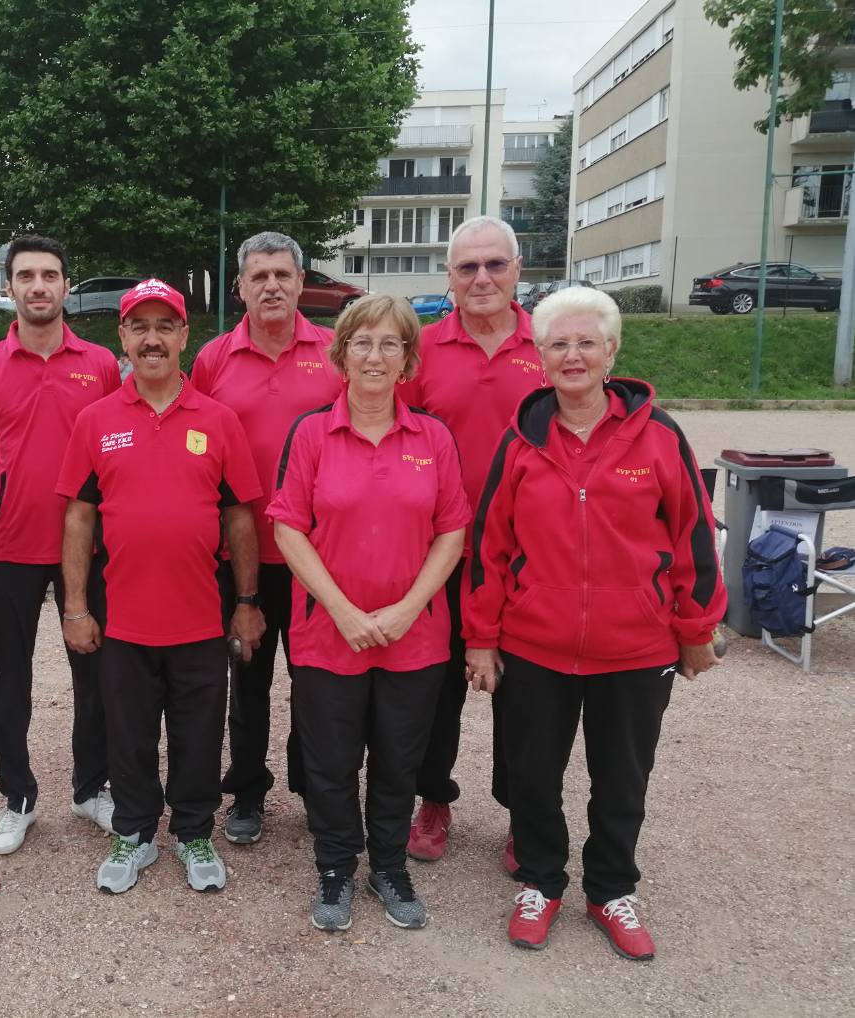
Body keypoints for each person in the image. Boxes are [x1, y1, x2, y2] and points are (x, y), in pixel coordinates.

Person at [463, 287, 725, 959]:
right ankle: (540, 882)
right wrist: (482, 638)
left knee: (621, 780)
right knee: (531, 777)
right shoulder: (519, 440)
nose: (572, 355)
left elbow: (693, 537)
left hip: (635, 648)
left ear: (611, 352)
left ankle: (610, 889)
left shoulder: (659, 435)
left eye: (586, 342)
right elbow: (487, 547)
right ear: (539, 357)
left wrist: (695, 629)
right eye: (557, 344)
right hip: (534, 646)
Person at [56, 279, 265, 895]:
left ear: (183, 337)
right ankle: (135, 831)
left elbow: (240, 517)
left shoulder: (219, 421)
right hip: (123, 619)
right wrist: (73, 606)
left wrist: (248, 603)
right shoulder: (94, 420)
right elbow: (78, 517)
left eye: (164, 326)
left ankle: (195, 830)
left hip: (202, 617)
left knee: (200, 732)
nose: (152, 339)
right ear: (121, 337)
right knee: (128, 730)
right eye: (139, 327)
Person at [267, 294, 468, 932]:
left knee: (397, 760)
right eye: (362, 343)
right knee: (329, 761)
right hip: (330, 634)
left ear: (408, 358)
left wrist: (409, 608)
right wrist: (344, 610)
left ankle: (388, 866)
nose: (375, 356)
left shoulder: (433, 437)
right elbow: (288, 529)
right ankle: (335, 867)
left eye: (390, 344)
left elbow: (452, 532)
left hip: (416, 637)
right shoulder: (310, 433)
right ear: (342, 355)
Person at [0, 235, 122, 855]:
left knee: (98, 673)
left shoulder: (102, 364)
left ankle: (92, 787)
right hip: (9, 543)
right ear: (9, 286)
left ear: (64, 286)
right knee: (9, 676)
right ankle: (18, 796)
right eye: (25, 275)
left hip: (89, 545)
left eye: (49, 275)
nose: (38, 286)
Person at [397, 215, 543, 870]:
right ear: (448, 278)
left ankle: (522, 810)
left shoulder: (553, 343)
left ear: (517, 270)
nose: (481, 278)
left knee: (528, 692)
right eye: (466, 267)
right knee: (435, 688)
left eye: (494, 265)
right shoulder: (423, 350)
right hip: (443, 549)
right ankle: (433, 799)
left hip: (534, 552)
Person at [191, 231, 340, 846]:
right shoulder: (213, 360)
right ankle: (248, 788)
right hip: (241, 558)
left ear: (302, 283)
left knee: (317, 680)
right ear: (241, 288)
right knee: (246, 681)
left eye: (283, 274)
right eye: (259, 277)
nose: (272, 286)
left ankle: (311, 787)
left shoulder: (336, 352)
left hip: (319, 555)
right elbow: (193, 445)